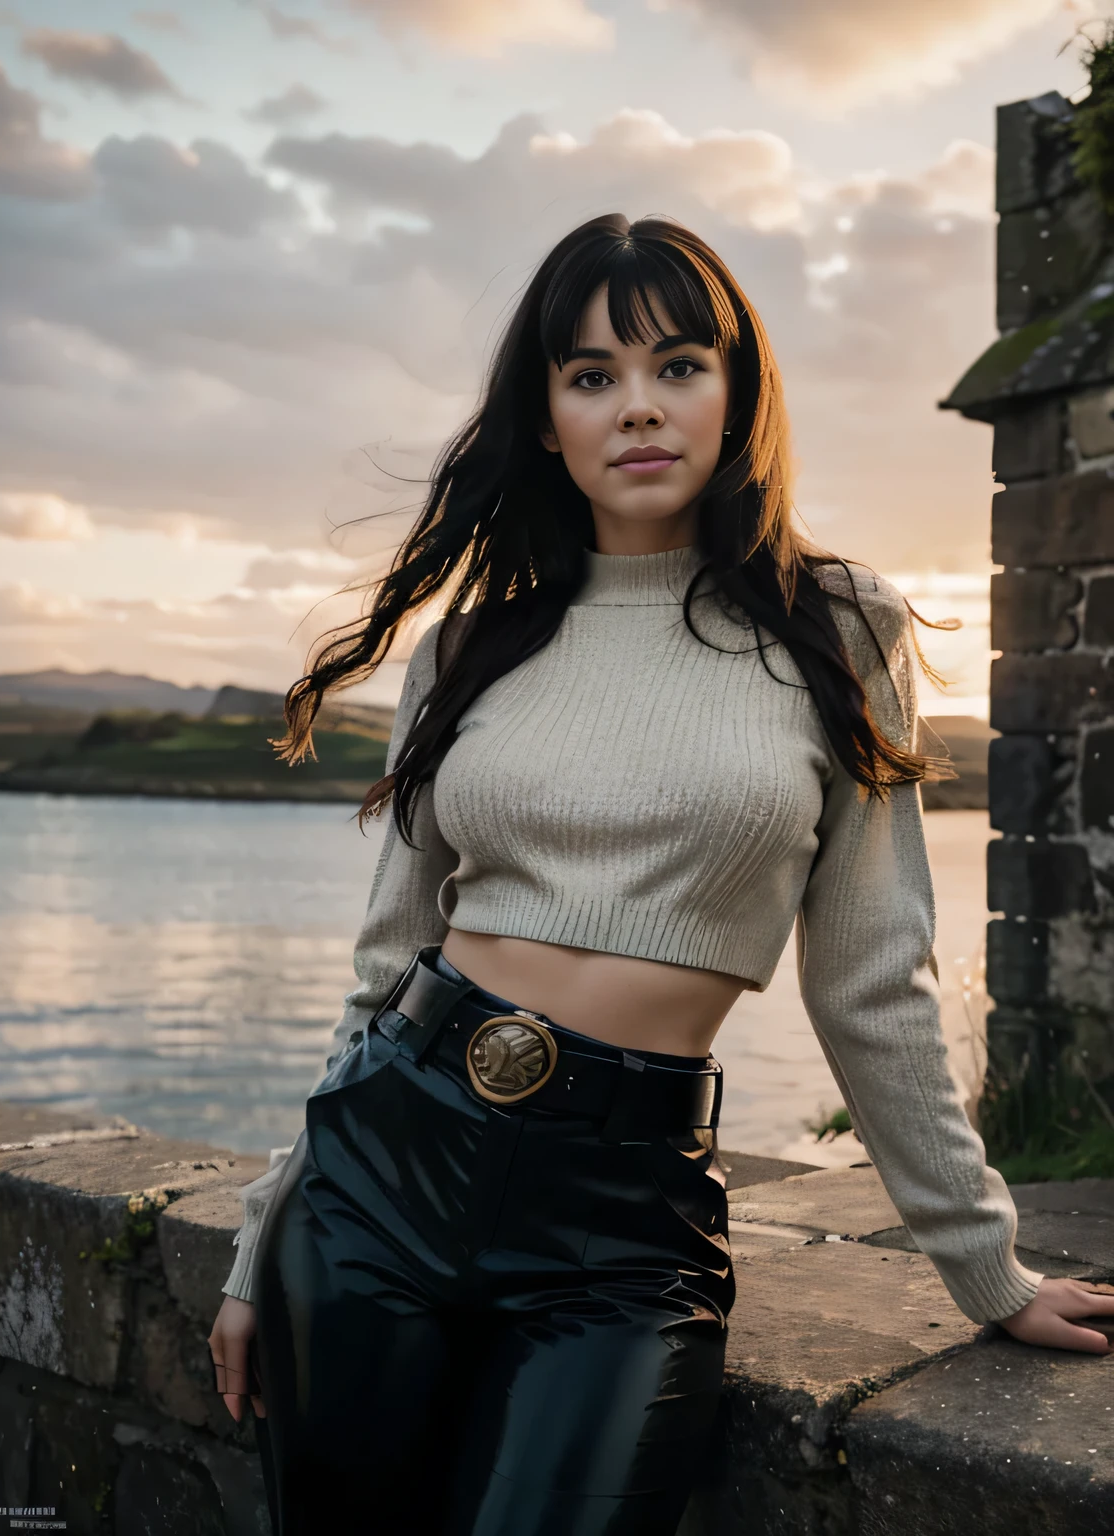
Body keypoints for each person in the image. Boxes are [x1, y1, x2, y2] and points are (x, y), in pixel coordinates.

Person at [208, 213, 1114, 1536]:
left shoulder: (837, 627)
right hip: (376, 1188)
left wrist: (987, 1269)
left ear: (737, 393)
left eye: (678, 364)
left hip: (620, 1228)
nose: (639, 407)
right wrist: (257, 1239)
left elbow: (874, 977)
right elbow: (382, 974)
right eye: (591, 376)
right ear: (548, 418)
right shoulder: (461, 657)